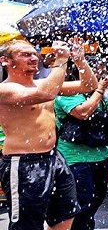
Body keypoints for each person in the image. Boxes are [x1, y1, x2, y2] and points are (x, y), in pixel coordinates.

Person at [0, 40, 80, 230]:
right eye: (25, 54)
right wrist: (61, 60)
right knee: (26, 225)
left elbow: (87, 85)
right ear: (5, 61)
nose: (34, 57)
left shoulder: (42, 83)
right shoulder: (4, 89)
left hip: (53, 158)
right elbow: (47, 93)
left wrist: (80, 61)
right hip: (23, 162)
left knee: (66, 215)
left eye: (34, 53)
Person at [55, 53, 108, 230]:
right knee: (81, 206)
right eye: (97, 73)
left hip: (99, 155)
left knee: (95, 202)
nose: (99, 77)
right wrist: (100, 89)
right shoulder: (66, 91)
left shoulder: (97, 93)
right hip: (75, 158)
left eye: (102, 73)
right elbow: (83, 112)